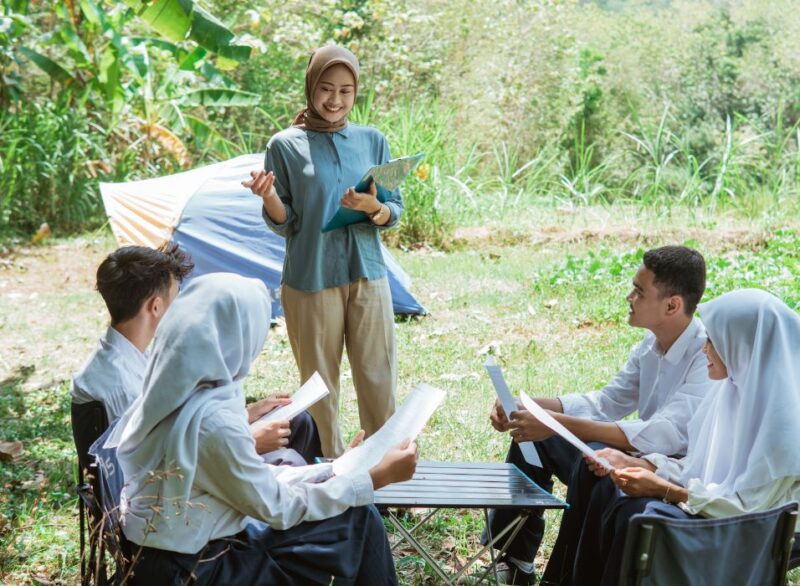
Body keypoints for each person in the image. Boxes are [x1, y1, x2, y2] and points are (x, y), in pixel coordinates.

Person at [107, 273, 416, 585]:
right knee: (359, 518)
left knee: (349, 512)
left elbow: (250, 477)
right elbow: (277, 507)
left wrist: (334, 470)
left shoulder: (169, 390)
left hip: (167, 550)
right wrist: (371, 479)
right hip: (195, 568)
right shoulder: (212, 422)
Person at [486, 245, 710, 584]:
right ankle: (514, 558)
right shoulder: (650, 345)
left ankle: (563, 577)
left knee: (586, 462)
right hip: (636, 451)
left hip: (670, 468)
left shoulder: (706, 354)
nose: (628, 297)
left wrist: (555, 424)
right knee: (536, 440)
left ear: (672, 305)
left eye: (639, 290)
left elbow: (668, 432)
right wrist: (532, 406)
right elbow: (607, 402)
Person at [567, 288, 800, 586]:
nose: (704, 349)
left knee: (638, 516)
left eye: (714, 342)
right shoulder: (729, 391)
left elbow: (749, 509)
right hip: (715, 503)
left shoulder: (784, 423)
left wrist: (666, 490)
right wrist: (636, 463)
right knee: (611, 490)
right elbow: (697, 466)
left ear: (743, 347)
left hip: (751, 527)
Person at [243, 45, 403, 457]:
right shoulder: (284, 145)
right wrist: (268, 198)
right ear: (311, 87)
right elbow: (287, 220)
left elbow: (394, 209)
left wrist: (375, 208)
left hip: (367, 272)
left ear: (356, 93)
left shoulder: (373, 140)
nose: (335, 99)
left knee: (378, 377)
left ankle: (384, 476)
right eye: (327, 89)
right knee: (318, 388)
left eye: (346, 91)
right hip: (310, 278)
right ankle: (326, 480)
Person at [71, 245, 320, 464]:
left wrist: (248, 414)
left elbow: (182, 425)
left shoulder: (130, 355)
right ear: (155, 307)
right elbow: (153, 464)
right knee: (290, 452)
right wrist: (250, 442)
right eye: (177, 296)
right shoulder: (121, 384)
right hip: (172, 495)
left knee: (299, 421)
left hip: (195, 453)